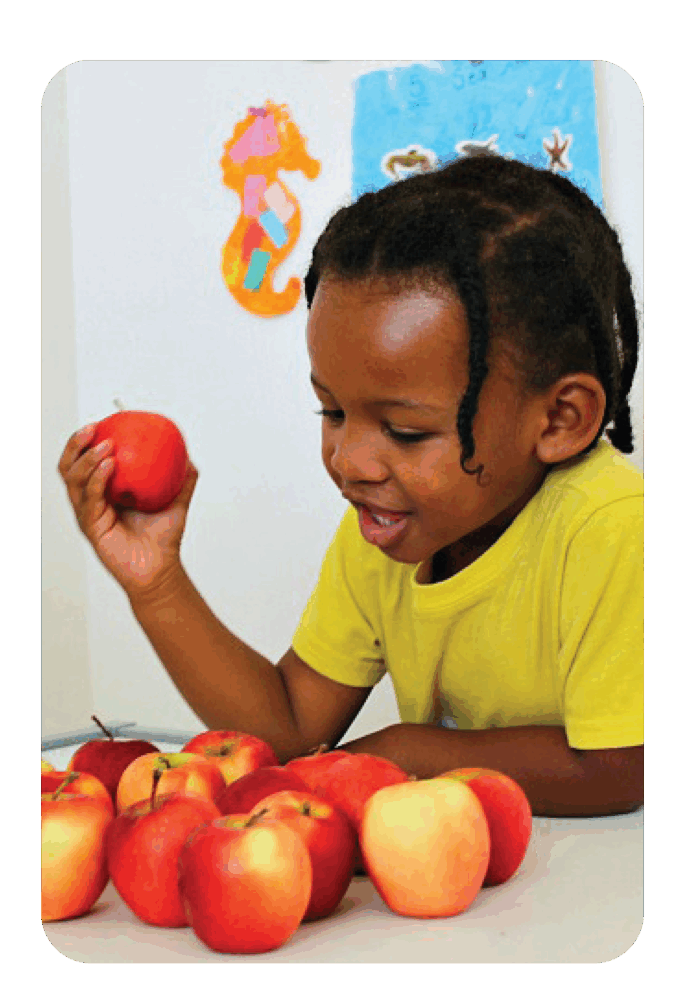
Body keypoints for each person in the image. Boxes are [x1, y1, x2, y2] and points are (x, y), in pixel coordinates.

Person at [58, 155, 643, 817]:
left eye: (403, 429)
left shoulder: (614, 526)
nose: (350, 460)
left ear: (560, 419)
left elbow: (620, 769)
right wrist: (156, 582)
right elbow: (285, 731)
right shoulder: (389, 526)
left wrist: (406, 751)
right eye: (331, 411)